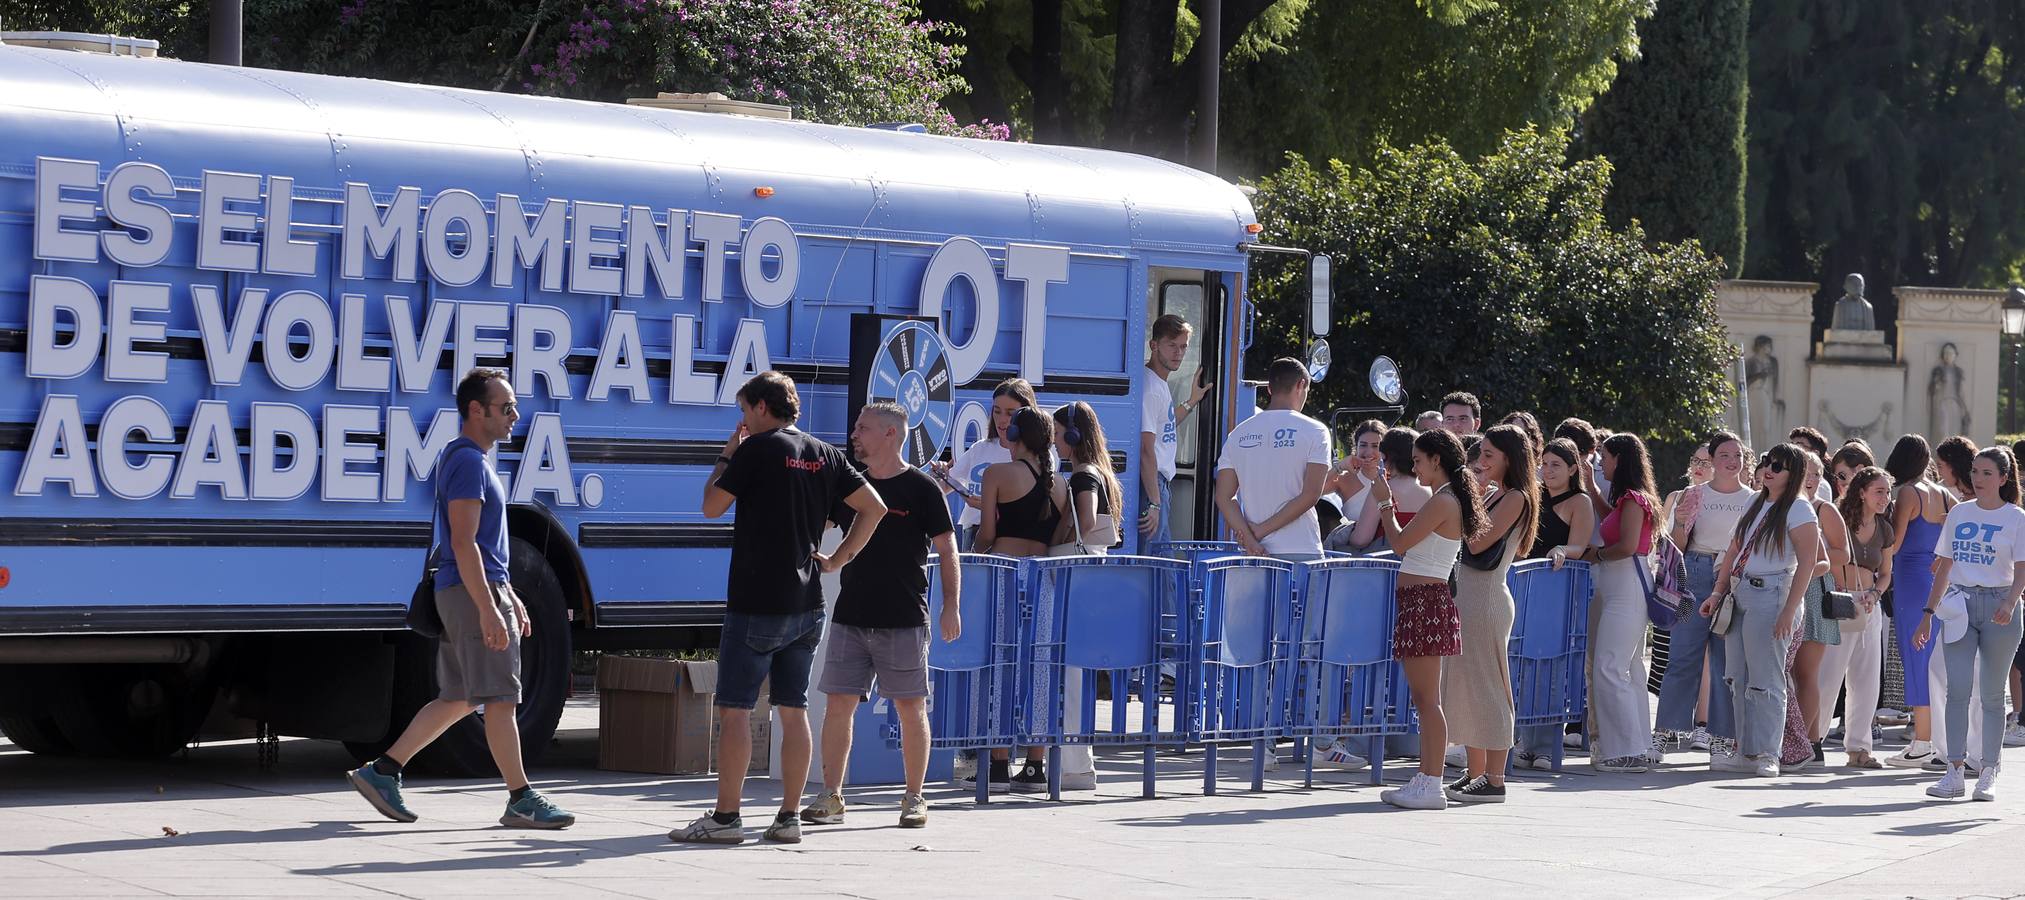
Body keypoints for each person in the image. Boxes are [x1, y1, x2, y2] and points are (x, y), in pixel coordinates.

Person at [348, 368, 576, 830]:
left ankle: (384, 771)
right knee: (501, 699)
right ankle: (520, 798)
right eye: (505, 406)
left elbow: (484, 548)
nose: (515, 415)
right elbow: (463, 543)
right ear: (477, 410)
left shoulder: (473, 461)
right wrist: (490, 607)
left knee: (458, 697)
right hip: (472, 593)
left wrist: (509, 594)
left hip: (475, 589)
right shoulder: (469, 463)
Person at [673, 372, 886, 845]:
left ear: (763, 409)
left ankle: (727, 818)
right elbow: (874, 508)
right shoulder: (825, 454)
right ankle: (788, 817)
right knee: (794, 711)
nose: (742, 420)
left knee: (735, 711)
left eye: (745, 411)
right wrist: (837, 559)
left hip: (755, 602)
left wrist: (728, 452)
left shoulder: (755, 451)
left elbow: (711, 506)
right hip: (807, 603)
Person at [799, 403, 959, 831]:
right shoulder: (853, 487)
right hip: (851, 614)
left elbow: (948, 549)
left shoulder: (923, 489)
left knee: (910, 708)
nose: (855, 434)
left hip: (904, 617)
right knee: (838, 706)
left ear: (891, 434)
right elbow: (820, 522)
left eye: (863, 428)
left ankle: (914, 798)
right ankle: (832, 795)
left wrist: (952, 606)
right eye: (855, 428)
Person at [1370, 429, 1485, 809]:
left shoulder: (1445, 499)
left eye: (1419, 459)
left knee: (1427, 700)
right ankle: (1427, 779)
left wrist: (1384, 503)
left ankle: (1430, 782)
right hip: (1423, 599)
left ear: (1437, 459)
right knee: (1425, 699)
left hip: (1425, 600)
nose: (1414, 465)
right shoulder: (1448, 496)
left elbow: (1400, 544)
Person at [1699, 443, 1822, 778]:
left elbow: (1809, 563)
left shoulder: (1799, 508)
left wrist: (1788, 611)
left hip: (1774, 594)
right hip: (1741, 593)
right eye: (1767, 462)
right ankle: (1745, 751)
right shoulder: (1755, 501)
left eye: (1777, 466)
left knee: (1766, 681)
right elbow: (1735, 548)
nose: (1768, 469)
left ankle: (1769, 753)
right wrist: (1717, 592)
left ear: (1793, 473)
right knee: (1737, 678)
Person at [1914, 447, 2025, 801]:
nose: (1978, 479)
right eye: (1975, 472)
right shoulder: (1959, 513)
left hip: (2000, 607)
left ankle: (1989, 771)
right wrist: (1927, 615)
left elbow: (2021, 569)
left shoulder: (2016, 518)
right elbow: (1944, 566)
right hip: (1959, 606)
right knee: (1956, 691)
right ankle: (1955, 771)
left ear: (2004, 478)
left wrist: (2010, 602)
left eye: (1987, 473)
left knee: (1992, 696)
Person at [969, 407, 1068, 792]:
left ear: (1016, 438)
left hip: (1004, 572)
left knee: (999, 661)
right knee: (1040, 662)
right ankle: (1034, 766)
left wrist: (975, 555)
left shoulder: (997, 474)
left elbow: (988, 533)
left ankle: (996, 764)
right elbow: (1059, 536)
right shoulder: (1059, 484)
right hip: (1043, 577)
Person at [1443, 425, 1538, 802]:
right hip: (1471, 597)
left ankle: (1495, 778)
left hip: (1485, 600)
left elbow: (1479, 539)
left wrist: (1469, 497)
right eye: (1479, 453)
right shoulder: (1498, 493)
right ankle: (1477, 770)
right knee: (1468, 686)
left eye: (1488, 455)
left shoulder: (1516, 496)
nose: (1480, 462)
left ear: (1509, 459)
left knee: (1490, 687)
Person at [1659, 431, 1753, 771]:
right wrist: (1683, 521)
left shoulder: (1754, 499)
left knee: (1724, 663)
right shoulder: (1693, 494)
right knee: (1682, 654)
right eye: (1725, 455)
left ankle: (1720, 739)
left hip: (1734, 578)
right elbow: (1676, 545)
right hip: (1694, 572)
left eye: (1738, 455)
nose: (1732, 461)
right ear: (1711, 460)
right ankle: (1665, 732)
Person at [1512, 437, 1598, 770]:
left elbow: (1580, 545)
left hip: (1558, 592)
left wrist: (1562, 550)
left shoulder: (1580, 501)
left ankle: (1547, 745)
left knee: (1550, 667)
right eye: (1544, 464)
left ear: (1574, 468)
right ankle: (1524, 742)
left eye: (1556, 465)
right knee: (1522, 666)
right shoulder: (1533, 496)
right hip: (1524, 587)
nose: (1547, 471)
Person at [1591, 433, 1660, 773]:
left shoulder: (1633, 499)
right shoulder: (1629, 500)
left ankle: (1624, 751)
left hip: (1627, 588)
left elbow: (1627, 545)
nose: (1601, 462)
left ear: (1620, 459)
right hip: (1625, 587)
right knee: (1628, 669)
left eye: (1604, 456)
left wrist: (1596, 554)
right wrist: (1590, 487)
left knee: (1609, 666)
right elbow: (1613, 524)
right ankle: (1638, 747)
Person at [1214, 358, 1331, 561]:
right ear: (1301, 385)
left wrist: (1250, 539)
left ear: (1269, 389)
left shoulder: (1238, 434)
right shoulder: (1316, 431)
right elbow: (1311, 494)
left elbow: (1224, 497)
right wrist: (1259, 531)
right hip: (1301, 547)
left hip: (1254, 552)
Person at [1820, 465, 1894, 768]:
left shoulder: (1885, 528)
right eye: (1879, 491)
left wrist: (1875, 595)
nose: (1885, 497)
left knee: (1866, 680)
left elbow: (1886, 573)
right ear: (1861, 492)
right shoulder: (1838, 518)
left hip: (1868, 605)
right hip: (1839, 600)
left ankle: (1860, 749)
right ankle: (1812, 742)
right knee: (1828, 677)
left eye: (1887, 492)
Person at [1885, 434, 1949, 768]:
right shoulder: (1943, 494)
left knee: (1916, 659)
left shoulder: (1908, 493)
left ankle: (1922, 741)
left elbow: (1893, 544)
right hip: (1936, 582)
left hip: (1911, 583)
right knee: (1932, 662)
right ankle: (1931, 739)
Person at [932, 378, 1039, 549]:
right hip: (970, 533)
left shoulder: (1035, 455)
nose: (1001, 419)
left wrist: (990, 506)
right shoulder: (980, 448)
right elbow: (945, 486)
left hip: (1008, 537)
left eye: (1010, 413)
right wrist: (939, 476)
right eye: (997, 411)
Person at [1790, 452, 1846, 769]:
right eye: (1804, 472)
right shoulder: (1781, 505)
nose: (1809, 478)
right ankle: (1809, 743)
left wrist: (1808, 553)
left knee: (1807, 674)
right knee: (1792, 673)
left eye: (1814, 473)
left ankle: (1809, 742)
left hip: (1814, 591)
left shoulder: (1824, 509)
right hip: (1789, 590)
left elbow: (1842, 554)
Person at [1139, 314, 1213, 547]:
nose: (1178, 353)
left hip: (1159, 487)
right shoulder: (1151, 387)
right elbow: (1146, 449)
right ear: (1153, 345)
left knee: (1164, 573)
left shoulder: (1158, 384)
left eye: (1183, 347)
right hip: (1152, 486)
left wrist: (1191, 401)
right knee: (1149, 567)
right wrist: (1154, 502)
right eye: (1172, 345)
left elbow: (1165, 426)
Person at [1052, 402, 1124, 555]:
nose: (1053, 440)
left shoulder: (1084, 474)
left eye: (1056, 432)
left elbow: (1087, 520)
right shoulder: (1098, 472)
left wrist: (1066, 547)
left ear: (1072, 435)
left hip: (1077, 568)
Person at [1349, 428, 1433, 553]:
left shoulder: (1382, 488)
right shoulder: (1431, 489)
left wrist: (1347, 532)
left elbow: (1361, 539)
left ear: (1384, 455)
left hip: (1387, 566)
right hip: (1421, 563)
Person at [1324, 420, 1387, 552]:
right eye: (1363, 445)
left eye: (1376, 446)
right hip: (1353, 554)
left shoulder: (1392, 478)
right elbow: (1312, 491)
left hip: (1386, 552)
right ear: (1356, 447)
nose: (1369, 452)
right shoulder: (1345, 478)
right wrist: (1339, 466)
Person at [1789, 427, 1833, 504]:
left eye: (1799, 446)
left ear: (1815, 453)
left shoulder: (1821, 486)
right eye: (1791, 445)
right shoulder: (1787, 477)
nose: (1793, 450)